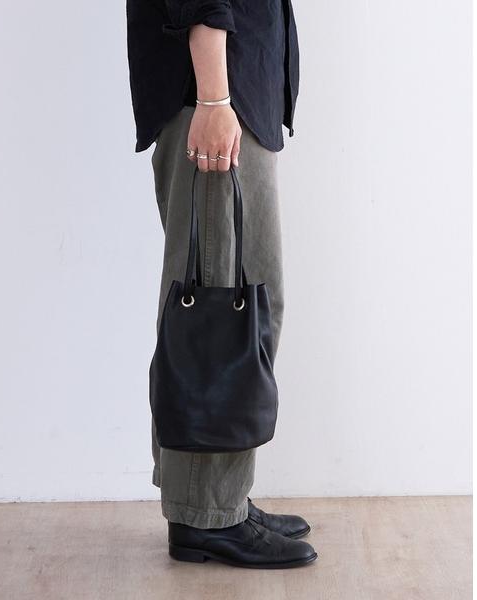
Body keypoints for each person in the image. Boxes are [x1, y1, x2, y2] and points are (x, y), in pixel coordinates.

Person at [127, 0, 317, 568]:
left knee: (244, 302)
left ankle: (220, 498)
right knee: (218, 311)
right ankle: (205, 515)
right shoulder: (212, 99)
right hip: (213, 97)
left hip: (231, 96)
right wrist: (213, 97)